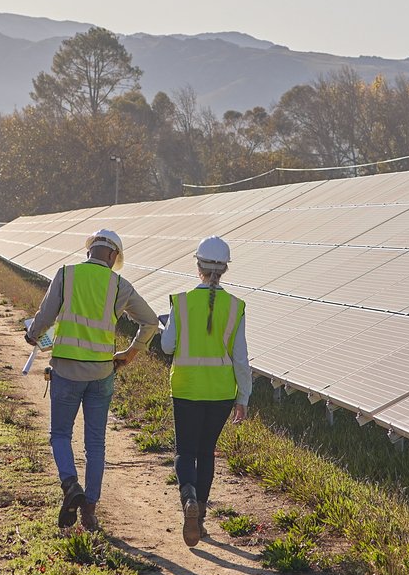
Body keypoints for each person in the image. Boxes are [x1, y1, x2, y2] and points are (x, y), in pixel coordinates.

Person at [24, 228, 159, 533]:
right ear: (113, 256)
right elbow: (150, 322)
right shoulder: (119, 285)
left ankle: (70, 483)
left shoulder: (66, 275)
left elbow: (46, 317)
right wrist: (129, 354)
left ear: (90, 251)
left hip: (66, 371)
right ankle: (90, 513)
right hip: (101, 374)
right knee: (95, 444)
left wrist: (32, 336)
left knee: (60, 434)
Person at [158, 236, 251, 548]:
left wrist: (169, 325)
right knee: (206, 453)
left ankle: (188, 498)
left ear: (197, 265)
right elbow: (240, 358)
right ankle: (200, 521)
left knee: (185, 451)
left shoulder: (181, 303)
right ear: (224, 269)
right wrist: (243, 397)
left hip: (186, 387)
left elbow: (167, 346)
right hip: (222, 391)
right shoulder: (235, 307)